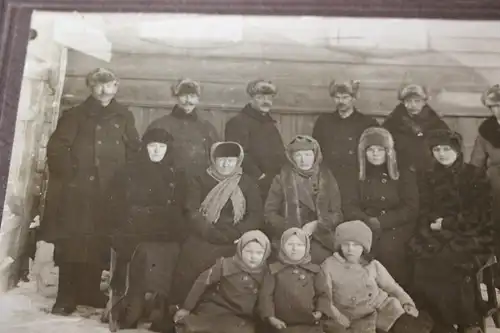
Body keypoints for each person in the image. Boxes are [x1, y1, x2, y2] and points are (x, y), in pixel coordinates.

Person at [40, 68, 141, 315]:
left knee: (99, 241)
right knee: (72, 242)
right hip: (78, 192)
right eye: (97, 85)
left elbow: (133, 149)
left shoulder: (124, 116)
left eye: (108, 85)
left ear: (116, 86)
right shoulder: (75, 115)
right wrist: (72, 175)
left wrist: (125, 180)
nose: (103, 90)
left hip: (109, 190)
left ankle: (89, 290)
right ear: (90, 87)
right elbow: (56, 149)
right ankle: (66, 296)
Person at [408, 129, 495, 333]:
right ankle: (440, 322)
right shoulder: (429, 177)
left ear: (457, 149)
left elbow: (480, 214)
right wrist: (430, 228)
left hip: (474, 234)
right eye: (437, 149)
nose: (442, 154)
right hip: (437, 233)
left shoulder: (474, 175)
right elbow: (425, 210)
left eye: (446, 149)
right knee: (422, 260)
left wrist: (447, 224)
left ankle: (468, 320)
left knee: (451, 260)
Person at [103, 128, 186, 332]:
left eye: (162, 147)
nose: (157, 151)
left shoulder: (176, 173)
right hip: (133, 229)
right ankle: (133, 302)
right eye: (152, 146)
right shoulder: (128, 172)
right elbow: (115, 205)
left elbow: (180, 208)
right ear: (144, 148)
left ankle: (160, 304)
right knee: (141, 251)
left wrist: (159, 217)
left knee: (172, 251)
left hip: (164, 232)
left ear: (168, 149)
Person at [170, 142, 264, 309]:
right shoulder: (199, 179)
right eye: (221, 159)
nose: (226, 164)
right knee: (193, 257)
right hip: (205, 234)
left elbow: (255, 213)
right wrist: (208, 231)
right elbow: (191, 210)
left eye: (231, 160)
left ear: (238, 161)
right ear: (213, 159)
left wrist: (239, 232)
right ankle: (186, 306)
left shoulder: (247, 182)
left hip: (236, 236)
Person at [321, 220, 430, 333]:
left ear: (364, 247)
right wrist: (338, 316)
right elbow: (324, 298)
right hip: (355, 317)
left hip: (385, 309)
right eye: (346, 244)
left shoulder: (372, 264)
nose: (350, 249)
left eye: (356, 245)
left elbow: (392, 287)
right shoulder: (329, 266)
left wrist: (406, 302)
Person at [343, 127, 418, 288]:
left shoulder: (402, 174)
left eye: (380, 150)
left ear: (388, 152)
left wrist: (382, 222)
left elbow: (410, 207)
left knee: (389, 251)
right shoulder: (355, 175)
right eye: (370, 150)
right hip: (364, 224)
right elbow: (349, 205)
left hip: (395, 225)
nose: (375, 154)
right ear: (363, 152)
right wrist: (367, 221)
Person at [173, 230, 271, 333]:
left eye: (259, 253)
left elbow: (266, 297)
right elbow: (201, 282)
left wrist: (268, 317)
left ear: (266, 254)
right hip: (216, 308)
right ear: (240, 249)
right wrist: (187, 307)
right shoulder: (225, 265)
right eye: (248, 251)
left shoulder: (266, 274)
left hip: (241, 316)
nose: (253, 257)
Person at [264, 135, 343, 264]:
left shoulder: (327, 178)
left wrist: (318, 224)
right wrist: (292, 229)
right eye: (298, 155)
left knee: (320, 257)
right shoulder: (281, 179)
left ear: (315, 156)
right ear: (291, 157)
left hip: (321, 237)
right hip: (290, 237)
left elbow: (337, 214)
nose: (303, 160)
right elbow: (269, 214)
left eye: (307, 155)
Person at [258, 227, 347, 333]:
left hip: (311, 324)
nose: (294, 249)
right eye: (290, 244)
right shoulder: (274, 270)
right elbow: (266, 297)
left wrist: (320, 312)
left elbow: (323, 295)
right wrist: (271, 318)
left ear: (306, 247)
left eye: (300, 245)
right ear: (282, 246)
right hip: (282, 325)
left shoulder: (315, 271)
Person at [312, 80, 378, 199]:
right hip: (329, 178)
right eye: (337, 97)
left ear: (353, 98)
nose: (341, 101)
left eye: (345, 97)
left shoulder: (367, 123)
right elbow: (315, 151)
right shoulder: (323, 122)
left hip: (356, 180)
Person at [225, 79, 286, 201]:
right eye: (260, 97)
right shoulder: (238, 122)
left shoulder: (270, 124)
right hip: (251, 184)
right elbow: (238, 152)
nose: (266, 102)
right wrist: (260, 176)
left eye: (269, 98)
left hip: (273, 185)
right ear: (251, 99)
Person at [146, 78, 219, 178]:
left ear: (198, 99)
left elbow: (216, 160)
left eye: (193, 96)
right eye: (184, 96)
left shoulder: (208, 128)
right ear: (176, 98)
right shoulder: (160, 125)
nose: (188, 100)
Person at [383, 84, 449, 172]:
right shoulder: (392, 122)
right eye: (408, 101)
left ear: (424, 102)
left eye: (417, 101)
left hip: (430, 171)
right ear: (403, 103)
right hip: (401, 171)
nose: (413, 105)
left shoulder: (436, 123)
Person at [470, 84, 500, 278]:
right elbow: (476, 164)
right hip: (495, 190)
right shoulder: (486, 131)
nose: (497, 111)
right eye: (493, 107)